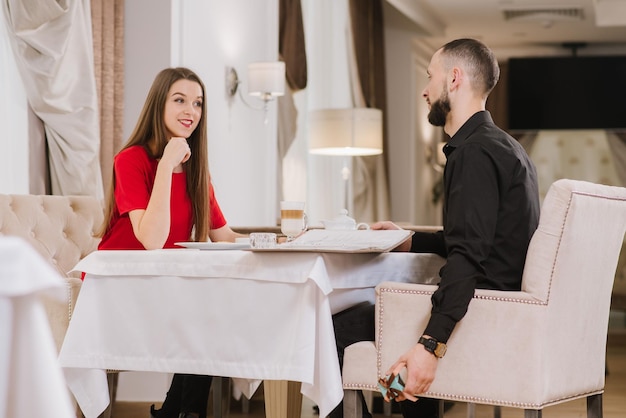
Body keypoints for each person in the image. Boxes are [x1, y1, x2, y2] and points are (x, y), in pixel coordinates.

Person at [330, 38, 540, 418]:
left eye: (430, 77)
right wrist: (412, 240)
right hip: (501, 308)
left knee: (336, 327)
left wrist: (431, 344)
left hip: (479, 313)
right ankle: (402, 401)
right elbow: (480, 240)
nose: (424, 90)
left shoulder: (473, 152)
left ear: (454, 79)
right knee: (385, 318)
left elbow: (468, 258)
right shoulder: (505, 147)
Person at [97, 67, 244, 418]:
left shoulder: (196, 170)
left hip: (166, 283)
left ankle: (179, 413)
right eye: (179, 100)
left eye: (198, 103)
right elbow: (151, 239)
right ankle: (179, 413)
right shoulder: (130, 160)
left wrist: (285, 239)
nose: (190, 111)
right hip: (121, 284)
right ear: (158, 105)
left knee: (216, 310)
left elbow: (224, 236)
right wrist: (165, 166)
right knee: (206, 312)